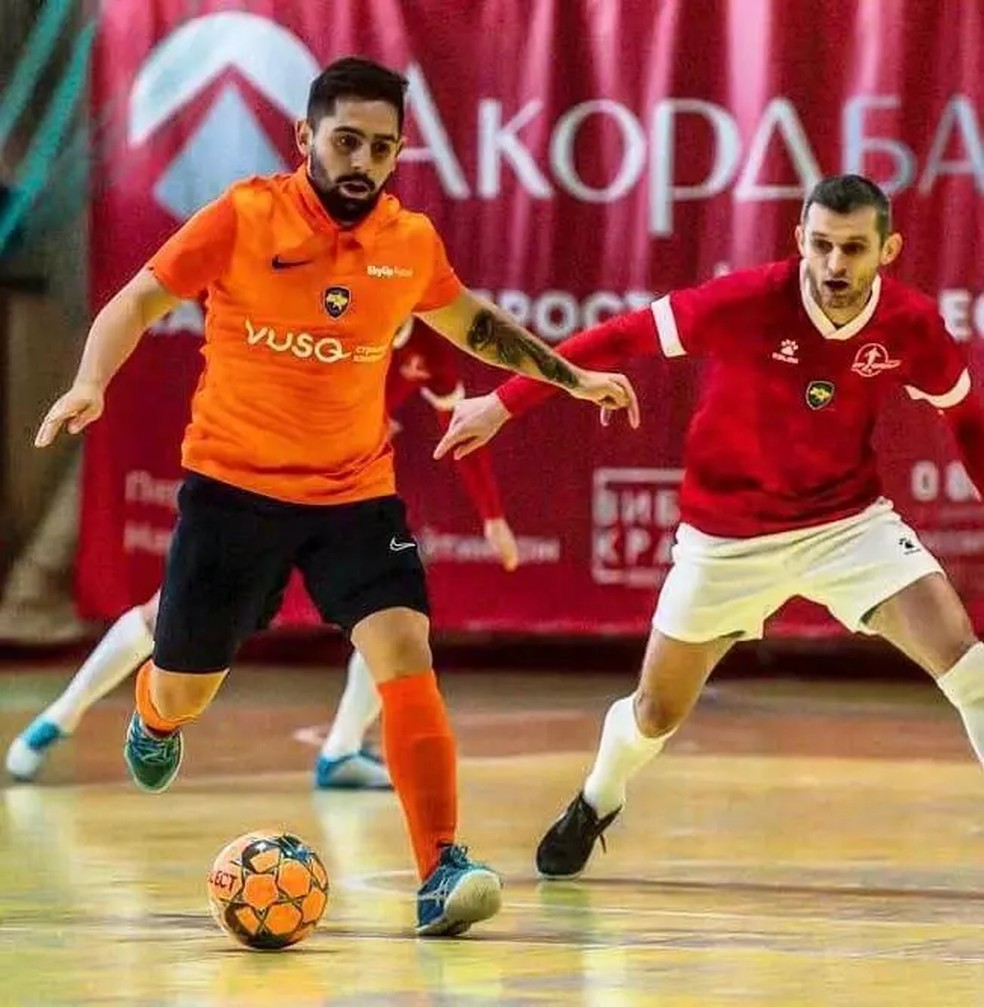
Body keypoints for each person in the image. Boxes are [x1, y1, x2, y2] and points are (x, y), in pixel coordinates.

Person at [33, 57, 636, 935]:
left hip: (355, 494)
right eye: (346, 140)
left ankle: (440, 867)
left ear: (398, 154)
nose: (362, 160)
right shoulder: (243, 216)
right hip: (233, 492)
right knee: (186, 687)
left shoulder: (408, 242)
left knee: (404, 645)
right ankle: (153, 714)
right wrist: (91, 381)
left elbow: (472, 321)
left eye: (381, 147)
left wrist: (571, 378)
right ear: (305, 138)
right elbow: (136, 300)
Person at [434, 173, 984, 881]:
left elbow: (966, 419)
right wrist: (504, 404)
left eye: (853, 249)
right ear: (800, 241)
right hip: (726, 539)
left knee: (967, 663)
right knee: (656, 712)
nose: (835, 265)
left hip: (848, 524)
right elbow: (618, 336)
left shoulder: (911, 324)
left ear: (888, 250)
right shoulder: (747, 300)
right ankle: (598, 797)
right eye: (821, 245)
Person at [6, 319, 520, 790]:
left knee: (392, 618)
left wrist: (493, 516)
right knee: (166, 616)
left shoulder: (428, 346)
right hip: (260, 491)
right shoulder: (323, 313)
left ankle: (340, 751)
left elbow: (461, 425)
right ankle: (61, 716)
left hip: (344, 498)